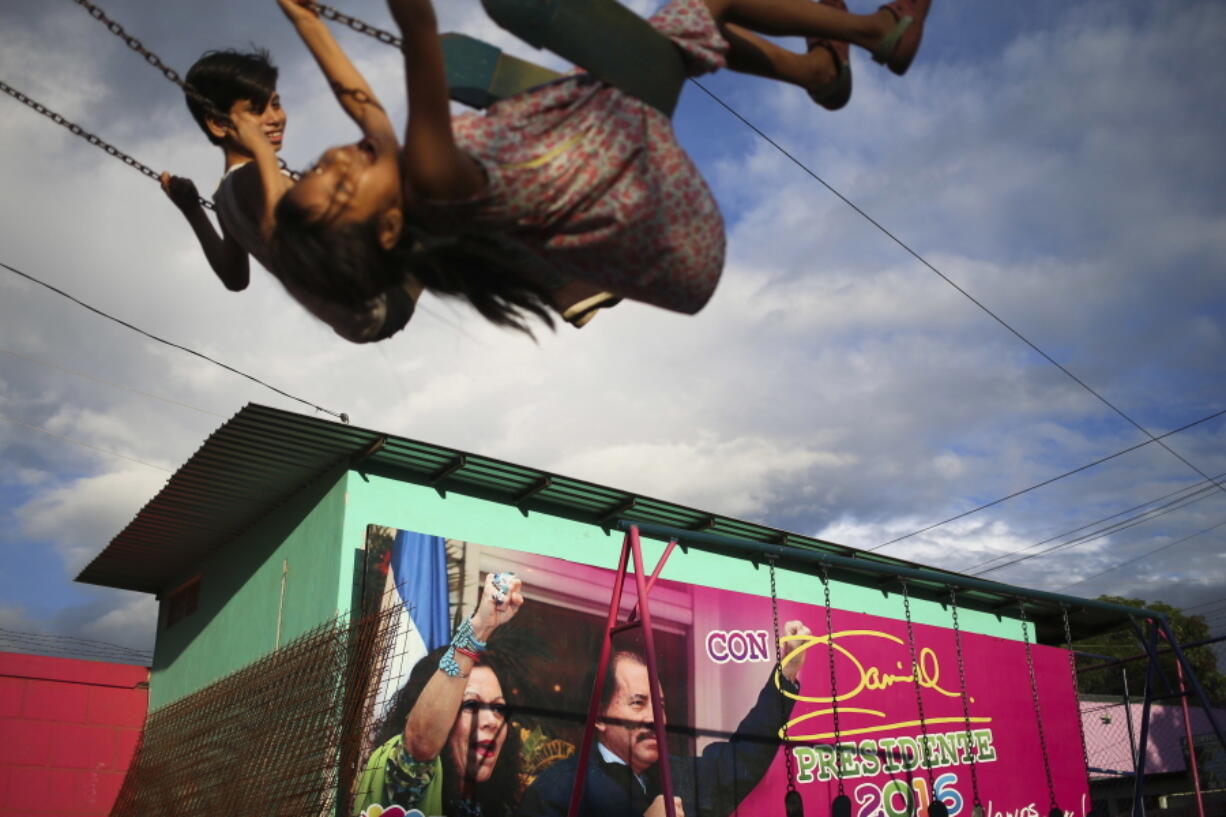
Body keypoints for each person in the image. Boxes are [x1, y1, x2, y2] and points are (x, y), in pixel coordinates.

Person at [263, 0, 933, 337]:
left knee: (674, 33)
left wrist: (305, 19)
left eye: (329, 162)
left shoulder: (405, 187)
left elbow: (361, 103)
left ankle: (820, 72)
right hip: (653, 196)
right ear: (386, 231)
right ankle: (881, 34)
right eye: (344, 184)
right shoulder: (434, 184)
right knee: (705, 0)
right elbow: (418, 31)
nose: (344, 158)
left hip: (636, 182)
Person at [516, 620, 812, 817]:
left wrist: (786, 676)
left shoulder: (681, 777)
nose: (653, 719)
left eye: (659, 705)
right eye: (638, 703)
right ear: (599, 716)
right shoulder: (558, 793)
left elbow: (742, 759)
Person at [353, 572, 525, 816]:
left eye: (498, 708)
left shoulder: (494, 807)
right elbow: (420, 743)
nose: (491, 721)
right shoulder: (402, 782)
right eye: (471, 705)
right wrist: (479, 629)